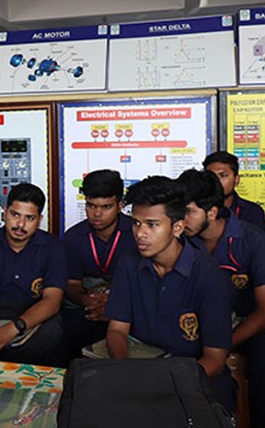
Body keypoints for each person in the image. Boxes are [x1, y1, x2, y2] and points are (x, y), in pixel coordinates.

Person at [105, 176, 235, 412]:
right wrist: (126, 371)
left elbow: (215, 358)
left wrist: (166, 384)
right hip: (140, 370)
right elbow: (116, 330)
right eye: (135, 223)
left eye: (152, 224)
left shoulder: (208, 276)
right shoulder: (128, 262)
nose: (140, 234)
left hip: (193, 376)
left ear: (177, 227)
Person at [177, 169, 265, 427]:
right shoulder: (179, 240)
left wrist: (223, 343)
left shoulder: (253, 241)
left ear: (212, 212)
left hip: (251, 322)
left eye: (189, 212)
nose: (180, 220)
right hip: (199, 320)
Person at [0, 182, 67, 366]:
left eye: (29, 218)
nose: (20, 224)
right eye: (15, 214)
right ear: (5, 212)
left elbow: (52, 302)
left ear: (39, 220)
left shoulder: (53, 248)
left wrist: (11, 329)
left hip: (34, 320)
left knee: (55, 330)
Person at [61, 170, 137, 354]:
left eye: (106, 207)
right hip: (87, 308)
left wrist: (114, 305)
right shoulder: (73, 237)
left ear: (120, 205)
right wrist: (85, 299)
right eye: (91, 205)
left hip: (130, 306)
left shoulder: (136, 233)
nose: (97, 213)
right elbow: (72, 284)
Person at [203, 150, 265, 231]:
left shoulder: (252, 212)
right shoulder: (197, 211)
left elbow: (258, 242)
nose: (216, 181)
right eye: (211, 176)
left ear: (236, 180)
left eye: (223, 175)